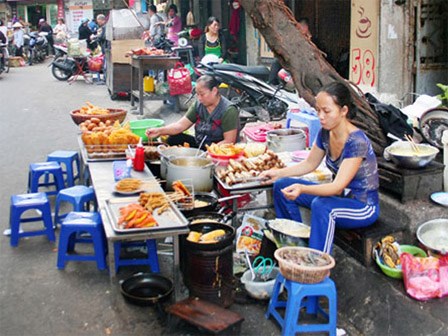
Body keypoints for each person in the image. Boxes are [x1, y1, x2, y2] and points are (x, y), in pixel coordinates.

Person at [260, 82, 380, 254]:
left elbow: (337, 186)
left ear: (343, 111)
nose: (321, 116)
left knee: (322, 205)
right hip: (338, 198)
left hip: (362, 206)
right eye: (318, 110)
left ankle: (316, 264)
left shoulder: (356, 142)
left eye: (327, 111)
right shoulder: (325, 132)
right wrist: (277, 173)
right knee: (281, 186)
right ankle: (294, 245)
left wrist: (302, 188)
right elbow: (309, 164)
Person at [145, 75, 240, 148]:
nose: (199, 98)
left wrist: (210, 152)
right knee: (173, 139)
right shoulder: (198, 105)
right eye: (197, 94)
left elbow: (229, 141)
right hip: (199, 145)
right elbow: (180, 126)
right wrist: (160, 131)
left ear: (214, 91)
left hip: (218, 150)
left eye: (202, 94)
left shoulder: (228, 110)